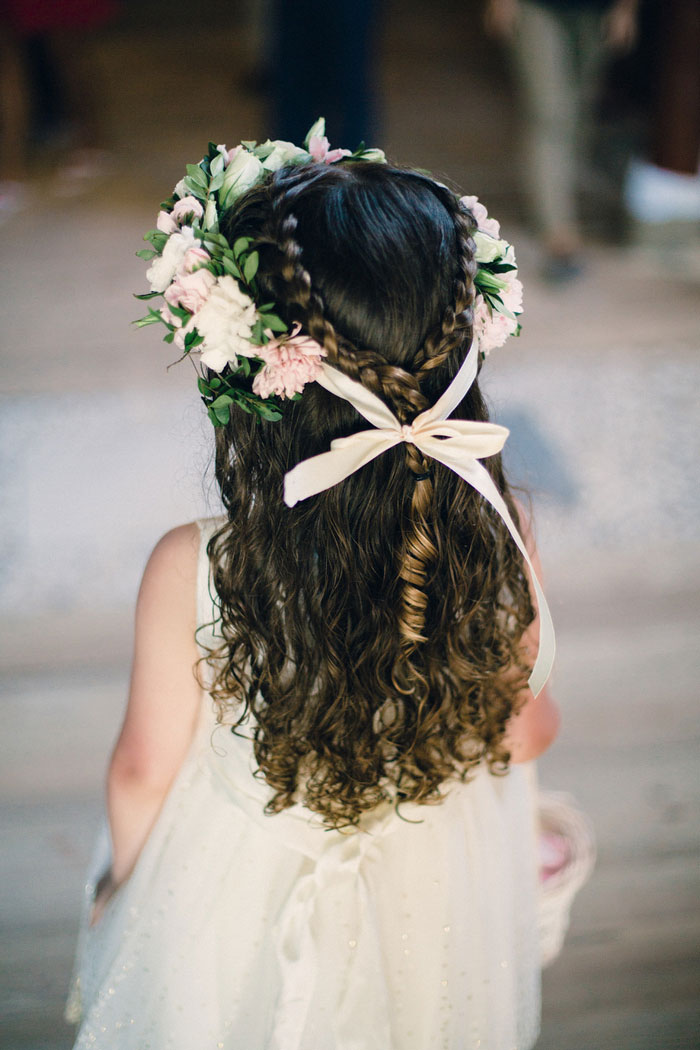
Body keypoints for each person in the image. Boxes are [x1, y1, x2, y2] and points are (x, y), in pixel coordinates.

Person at [66, 122, 562, 1050]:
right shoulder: (501, 534)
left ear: (261, 384)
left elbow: (140, 774)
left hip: (227, 892)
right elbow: (525, 729)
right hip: (434, 898)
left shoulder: (197, 565)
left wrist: (121, 896)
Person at [485, 0, 640, 280]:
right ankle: (558, 233)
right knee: (549, 114)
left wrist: (625, 9)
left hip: (596, 12)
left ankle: (562, 203)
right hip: (537, 8)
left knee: (581, 111)